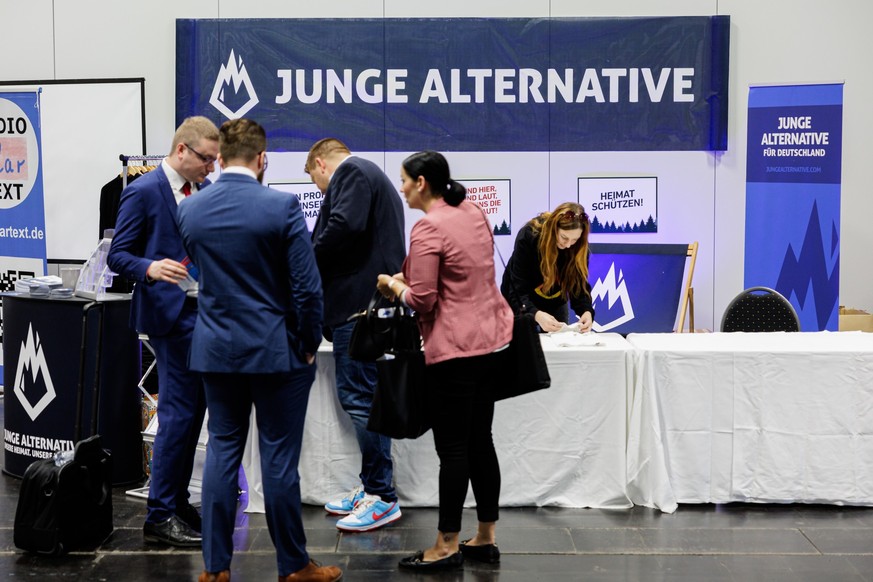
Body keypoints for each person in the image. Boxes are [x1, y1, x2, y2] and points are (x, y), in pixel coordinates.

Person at [177, 118, 342, 582]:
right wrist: (309, 343)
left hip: (215, 351)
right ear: (262, 158)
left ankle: (214, 569)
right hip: (276, 353)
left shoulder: (190, 210)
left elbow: (208, 276)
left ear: (221, 158)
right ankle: (293, 565)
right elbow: (307, 290)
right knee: (278, 460)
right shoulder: (281, 206)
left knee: (222, 453)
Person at [376, 151, 513, 571]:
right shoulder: (471, 210)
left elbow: (424, 299)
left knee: (453, 450)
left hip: (454, 351)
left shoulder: (428, 228)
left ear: (421, 182)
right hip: (492, 344)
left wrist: (392, 287)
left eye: (403, 181)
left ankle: (445, 544)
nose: (400, 189)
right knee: (480, 443)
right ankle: (485, 537)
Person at [108, 116, 218, 547]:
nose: (211, 169)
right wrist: (149, 268)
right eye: (206, 160)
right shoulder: (143, 190)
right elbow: (118, 255)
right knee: (177, 415)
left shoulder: (205, 193)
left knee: (195, 415)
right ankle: (158, 515)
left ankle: (174, 501)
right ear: (182, 151)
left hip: (205, 315)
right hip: (170, 318)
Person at [306, 138, 405, 532]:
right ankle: (373, 488)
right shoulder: (368, 175)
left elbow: (344, 226)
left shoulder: (352, 171)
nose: (319, 189)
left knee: (361, 399)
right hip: (365, 308)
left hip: (360, 310)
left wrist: (306, 257)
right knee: (367, 398)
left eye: (315, 180)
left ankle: (382, 497)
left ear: (320, 163)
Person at [500, 201, 595, 333]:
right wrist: (535, 314)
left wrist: (586, 311)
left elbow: (578, 286)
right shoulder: (529, 236)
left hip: (554, 301)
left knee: (557, 346)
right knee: (524, 346)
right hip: (520, 300)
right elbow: (517, 287)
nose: (568, 245)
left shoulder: (578, 249)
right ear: (554, 228)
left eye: (574, 240)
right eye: (564, 237)